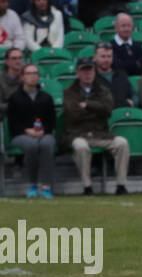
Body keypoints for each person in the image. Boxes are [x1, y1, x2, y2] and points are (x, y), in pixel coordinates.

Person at [63, 57, 130, 195]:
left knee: (122, 143)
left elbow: (109, 109)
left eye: (90, 70)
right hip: (78, 133)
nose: (88, 73)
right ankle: (87, 187)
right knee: (81, 147)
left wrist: (87, 105)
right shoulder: (69, 91)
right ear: (78, 73)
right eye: (84, 70)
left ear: (94, 72)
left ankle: (121, 185)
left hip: (101, 134)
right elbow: (73, 113)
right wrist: (97, 109)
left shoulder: (103, 90)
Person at [8, 63, 57, 198]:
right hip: (21, 135)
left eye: (35, 73)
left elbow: (52, 122)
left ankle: (46, 186)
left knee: (46, 144)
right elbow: (13, 123)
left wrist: (44, 130)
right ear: (23, 77)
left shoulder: (46, 97)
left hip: (44, 133)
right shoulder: (14, 98)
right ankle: (33, 184)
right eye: (29, 73)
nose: (33, 76)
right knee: (32, 145)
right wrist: (27, 131)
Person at [92, 41, 135, 109]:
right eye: (103, 56)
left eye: (109, 56)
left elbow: (133, 95)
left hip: (122, 115)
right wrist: (125, 103)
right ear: (94, 57)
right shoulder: (91, 77)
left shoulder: (121, 74)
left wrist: (133, 102)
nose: (106, 60)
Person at [0, 47, 25, 125]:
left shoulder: (28, 76)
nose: (18, 61)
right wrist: (15, 105)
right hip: (6, 117)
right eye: (14, 58)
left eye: (20, 58)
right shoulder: (1, 79)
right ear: (7, 62)